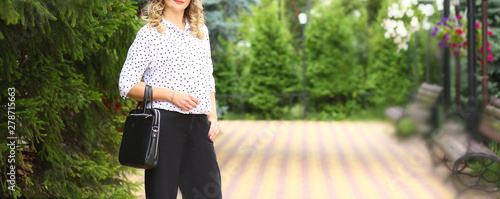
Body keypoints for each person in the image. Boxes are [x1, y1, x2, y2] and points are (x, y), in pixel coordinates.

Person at [118, 0, 222, 198]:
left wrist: (212, 117)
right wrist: (172, 96)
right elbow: (127, 84)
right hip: (164, 127)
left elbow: (208, 78)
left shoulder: (200, 31)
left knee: (209, 194)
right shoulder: (149, 34)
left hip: (199, 126)